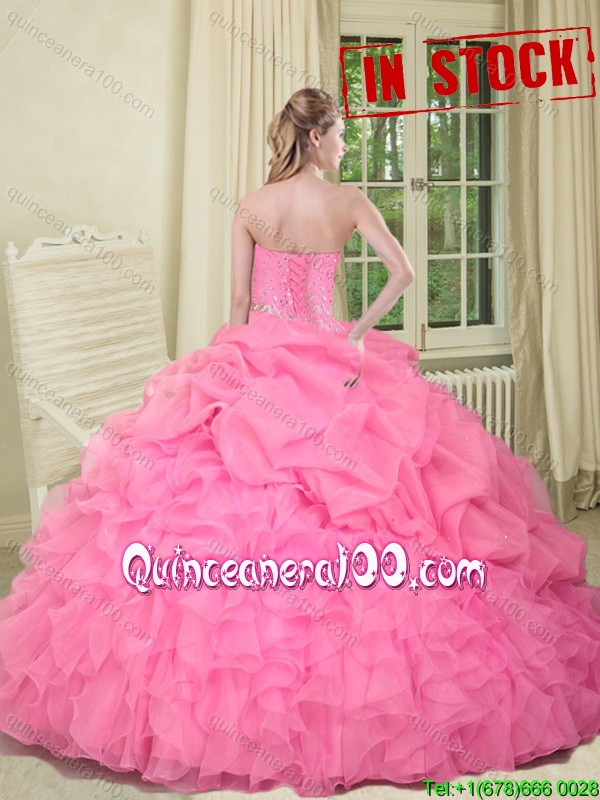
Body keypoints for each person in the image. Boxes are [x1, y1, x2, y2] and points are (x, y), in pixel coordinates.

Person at [0, 87, 599, 798]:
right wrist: (354, 335)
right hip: (328, 358)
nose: (346, 145)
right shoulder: (347, 202)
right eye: (341, 134)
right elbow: (404, 274)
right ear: (315, 137)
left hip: (257, 360)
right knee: (372, 499)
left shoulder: (252, 206)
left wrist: (226, 369)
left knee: (232, 501)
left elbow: (238, 306)